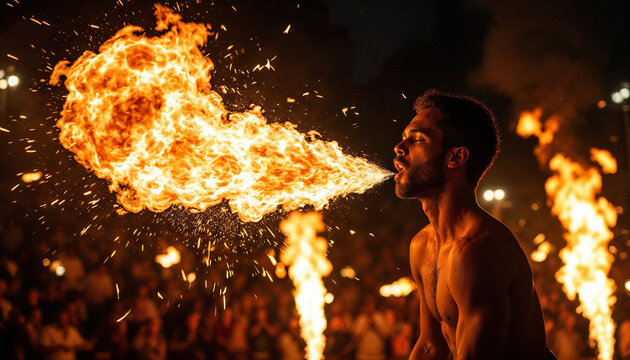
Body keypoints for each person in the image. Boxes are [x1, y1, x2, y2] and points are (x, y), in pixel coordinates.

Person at [393, 90, 554, 359]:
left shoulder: (478, 251)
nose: (400, 148)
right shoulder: (422, 245)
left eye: (417, 139)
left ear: (455, 158)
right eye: (404, 139)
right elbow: (431, 346)